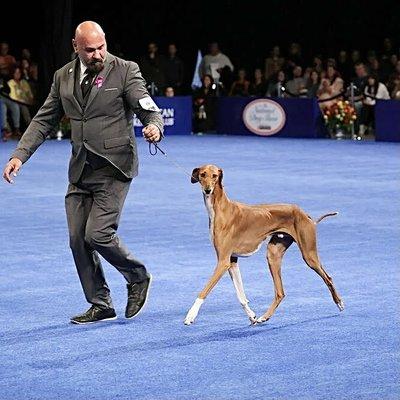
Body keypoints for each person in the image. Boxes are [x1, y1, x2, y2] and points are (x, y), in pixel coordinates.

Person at [2, 21, 164, 325]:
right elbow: (44, 119)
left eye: (101, 46)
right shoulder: (63, 76)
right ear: (76, 47)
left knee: (98, 234)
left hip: (115, 166)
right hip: (80, 168)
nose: (98, 54)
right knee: (78, 239)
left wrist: (154, 125)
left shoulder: (125, 70)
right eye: (90, 49)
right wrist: (19, 155)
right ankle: (101, 303)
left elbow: (147, 106)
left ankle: (137, 276)